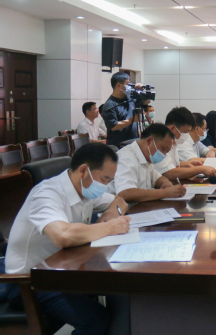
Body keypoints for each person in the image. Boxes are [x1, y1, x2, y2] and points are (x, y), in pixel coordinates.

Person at [5, 143, 131, 335]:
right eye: (104, 179)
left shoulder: (84, 189)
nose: (105, 186)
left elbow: (119, 200)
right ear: (83, 171)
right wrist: (108, 228)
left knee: (114, 294)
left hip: (60, 273)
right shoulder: (47, 194)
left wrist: (112, 214)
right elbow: (62, 235)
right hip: (28, 283)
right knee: (96, 321)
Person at [107, 123, 186, 202]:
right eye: (163, 149)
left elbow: (157, 178)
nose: (164, 155)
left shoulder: (146, 156)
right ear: (149, 141)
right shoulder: (127, 158)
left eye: (167, 152)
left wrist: (166, 183)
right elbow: (125, 193)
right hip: (120, 208)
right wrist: (165, 193)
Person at [153, 107, 216, 181]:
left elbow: (171, 164)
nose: (187, 135)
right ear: (172, 128)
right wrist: (200, 169)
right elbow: (168, 173)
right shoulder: (159, 145)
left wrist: (185, 164)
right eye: (185, 132)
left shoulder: (174, 143)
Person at [102, 72, 150, 147]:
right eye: (128, 84)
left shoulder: (130, 98)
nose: (130, 86)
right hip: (118, 145)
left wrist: (141, 91)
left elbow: (146, 102)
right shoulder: (110, 104)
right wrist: (132, 120)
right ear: (119, 85)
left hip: (133, 142)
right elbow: (113, 126)